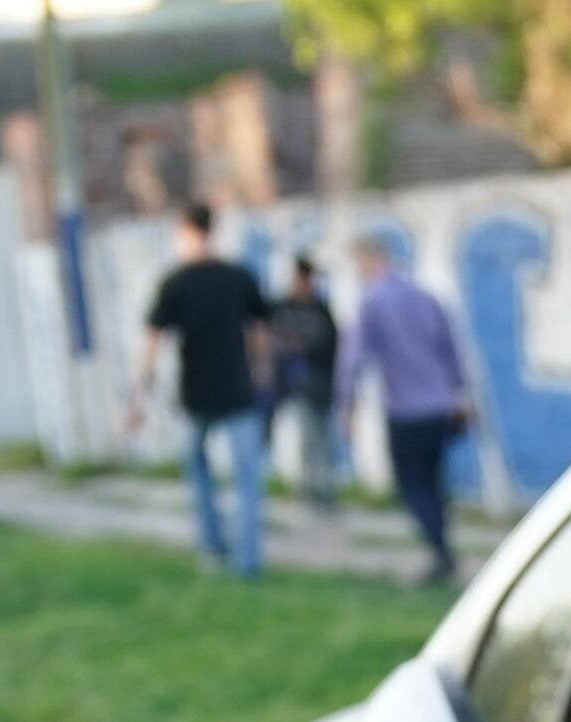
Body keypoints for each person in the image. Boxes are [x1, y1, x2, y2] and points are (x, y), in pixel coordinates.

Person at [135, 205, 273, 579]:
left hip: (197, 395)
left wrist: (139, 396)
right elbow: (260, 332)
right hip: (237, 391)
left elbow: (153, 341)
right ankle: (248, 561)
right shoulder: (238, 276)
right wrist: (262, 374)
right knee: (246, 480)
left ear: (185, 230)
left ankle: (214, 549)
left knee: (200, 475)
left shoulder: (176, 281)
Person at [341, 233, 474, 587]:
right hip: (440, 406)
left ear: (371, 261)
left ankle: (440, 552)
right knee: (433, 481)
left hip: (405, 411)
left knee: (412, 485)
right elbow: (453, 352)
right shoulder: (426, 297)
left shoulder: (372, 302)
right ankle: (442, 549)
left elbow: (353, 360)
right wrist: (461, 396)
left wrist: (347, 407)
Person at [264, 255, 340, 502]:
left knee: (322, 439)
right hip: (290, 386)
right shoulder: (281, 307)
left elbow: (332, 343)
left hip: (320, 385)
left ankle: (322, 489)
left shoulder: (321, 309)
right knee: (305, 438)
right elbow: (266, 336)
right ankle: (309, 488)